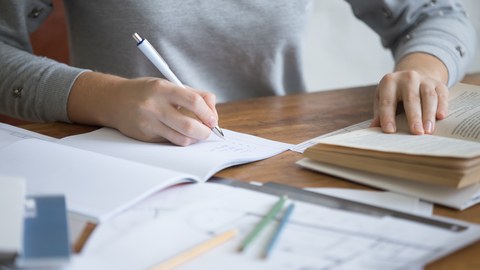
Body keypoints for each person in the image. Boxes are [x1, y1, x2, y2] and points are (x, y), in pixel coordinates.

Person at [0, 1, 476, 146]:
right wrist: (104, 96)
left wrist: (422, 70)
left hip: (278, 155)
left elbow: (435, 15)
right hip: (122, 159)